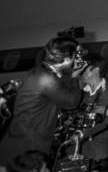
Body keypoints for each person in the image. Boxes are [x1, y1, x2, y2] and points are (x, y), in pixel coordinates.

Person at [0, 37, 82, 165]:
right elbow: (72, 102)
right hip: (28, 147)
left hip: (17, 142)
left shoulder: (38, 72)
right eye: (76, 55)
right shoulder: (46, 79)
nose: (78, 58)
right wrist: (76, 76)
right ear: (66, 60)